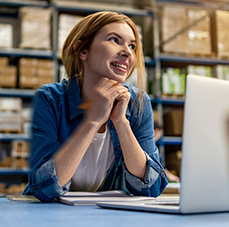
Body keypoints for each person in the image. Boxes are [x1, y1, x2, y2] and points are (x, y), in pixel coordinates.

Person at [23, 11, 168, 202]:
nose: (128, 52)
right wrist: (93, 120)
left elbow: (152, 187)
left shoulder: (139, 103)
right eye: (115, 40)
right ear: (82, 50)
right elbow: (44, 187)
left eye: (132, 45)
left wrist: (121, 122)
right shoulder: (50, 99)